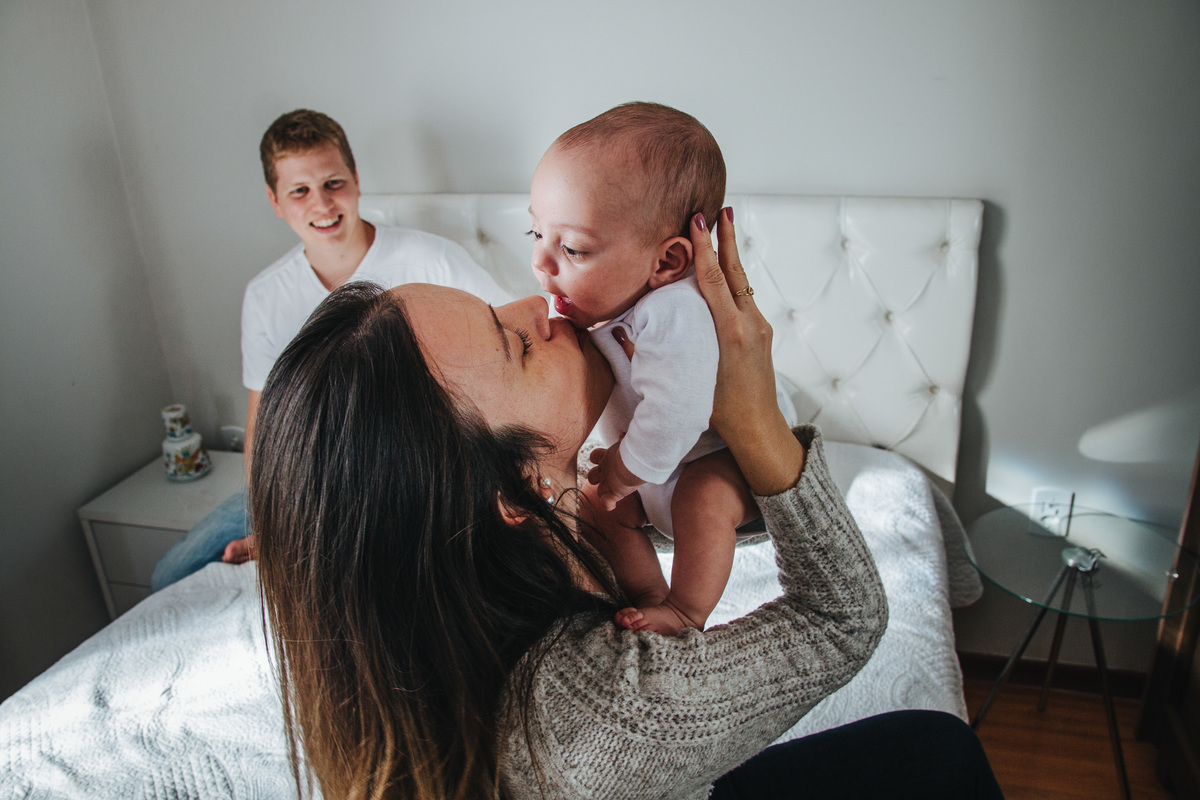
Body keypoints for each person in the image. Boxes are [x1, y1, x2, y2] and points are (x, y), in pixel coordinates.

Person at [253, 208, 1004, 799]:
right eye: (516, 345)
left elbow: (693, 521)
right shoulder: (599, 716)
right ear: (507, 493)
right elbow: (844, 617)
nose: (539, 304)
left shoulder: (432, 595)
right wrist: (756, 421)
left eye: (498, 306)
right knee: (941, 749)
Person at [150, 109, 509, 591]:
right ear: (275, 201)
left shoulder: (431, 260)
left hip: (414, 462)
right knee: (170, 574)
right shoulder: (266, 295)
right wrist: (270, 521)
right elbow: (263, 420)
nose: (322, 203)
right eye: (299, 191)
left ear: (357, 180)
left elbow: (508, 343)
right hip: (308, 473)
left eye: (333, 182)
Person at [529, 102, 754, 636]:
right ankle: (646, 593)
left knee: (701, 498)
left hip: (720, 465)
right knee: (593, 505)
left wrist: (627, 471)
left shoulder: (674, 310)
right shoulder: (608, 307)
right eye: (535, 234)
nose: (542, 261)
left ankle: (686, 609)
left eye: (574, 248)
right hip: (652, 467)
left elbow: (678, 411)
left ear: (668, 263)